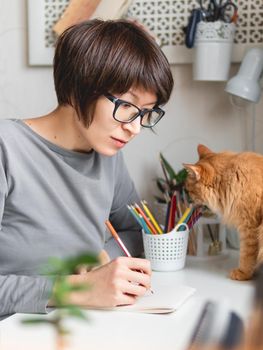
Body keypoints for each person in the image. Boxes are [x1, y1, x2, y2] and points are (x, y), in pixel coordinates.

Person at [0, 19, 173, 318]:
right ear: (80, 86)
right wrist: (78, 288)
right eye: (126, 106)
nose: (135, 128)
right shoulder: (7, 148)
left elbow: (133, 228)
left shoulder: (108, 154)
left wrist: (102, 259)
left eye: (146, 113)